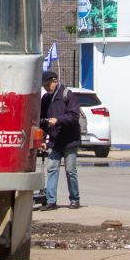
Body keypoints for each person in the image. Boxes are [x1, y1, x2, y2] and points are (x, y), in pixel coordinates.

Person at [38, 71, 81, 210]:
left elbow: (74, 116)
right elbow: (42, 121)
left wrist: (58, 120)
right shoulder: (45, 99)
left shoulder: (67, 95)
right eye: (44, 86)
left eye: (47, 84)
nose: (45, 88)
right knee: (52, 169)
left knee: (70, 170)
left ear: (55, 81)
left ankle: (75, 199)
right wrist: (43, 139)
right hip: (55, 140)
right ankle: (51, 200)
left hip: (70, 140)